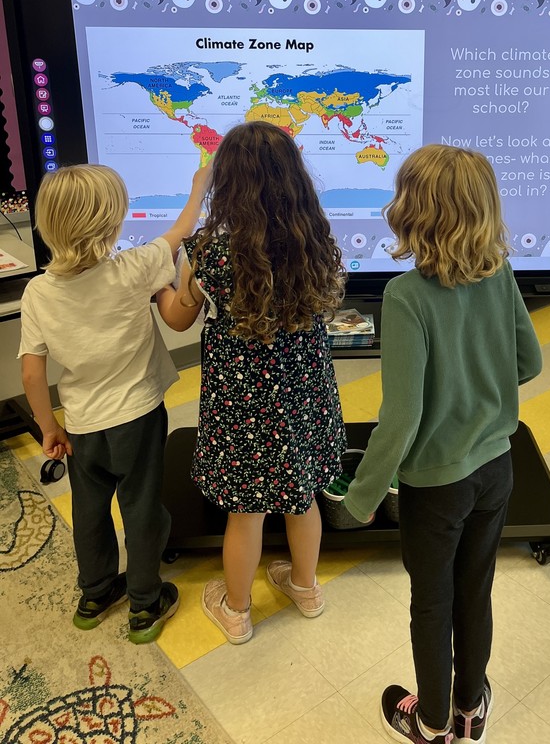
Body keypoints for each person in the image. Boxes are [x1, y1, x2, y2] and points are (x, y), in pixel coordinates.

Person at [344, 144, 543, 744]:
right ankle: (468, 710)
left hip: (436, 486)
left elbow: (400, 419)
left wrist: (361, 498)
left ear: (412, 212)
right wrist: (480, 391)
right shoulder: (501, 271)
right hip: (497, 467)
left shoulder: (406, 296)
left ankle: (430, 724)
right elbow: (528, 363)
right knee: (474, 591)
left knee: (431, 605)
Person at [155, 121, 347, 645]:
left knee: (246, 511)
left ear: (228, 183)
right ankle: (305, 587)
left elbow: (175, 318)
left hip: (242, 406)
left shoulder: (211, 254)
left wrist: (157, 285)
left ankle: (237, 610)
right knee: (302, 496)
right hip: (303, 398)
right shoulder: (315, 240)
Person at [19, 162, 210, 644]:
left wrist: (48, 427)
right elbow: (184, 230)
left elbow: (32, 370)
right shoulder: (133, 268)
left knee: (89, 510)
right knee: (143, 507)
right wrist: (199, 186)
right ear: (113, 223)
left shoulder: (38, 291)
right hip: (138, 418)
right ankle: (146, 603)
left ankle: (96, 592)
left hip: (83, 424)